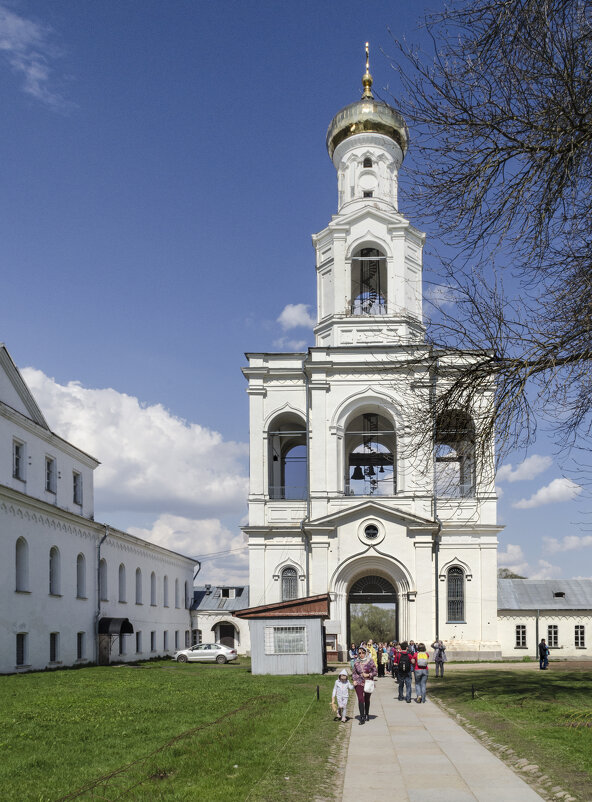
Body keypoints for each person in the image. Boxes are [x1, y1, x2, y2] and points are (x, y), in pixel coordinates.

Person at [352, 645, 377, 724]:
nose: (361, 654)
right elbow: (354, 673)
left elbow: (375, 671)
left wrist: (368, 675)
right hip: (359, 682)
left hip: (368, 682)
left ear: (366, 653)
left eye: (363, 652)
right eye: (359, 653)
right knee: (360, 699)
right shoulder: (356, 662)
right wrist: (354, 680)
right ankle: (362, 717)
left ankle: (367, 714)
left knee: (366, 699)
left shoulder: (370, 661)